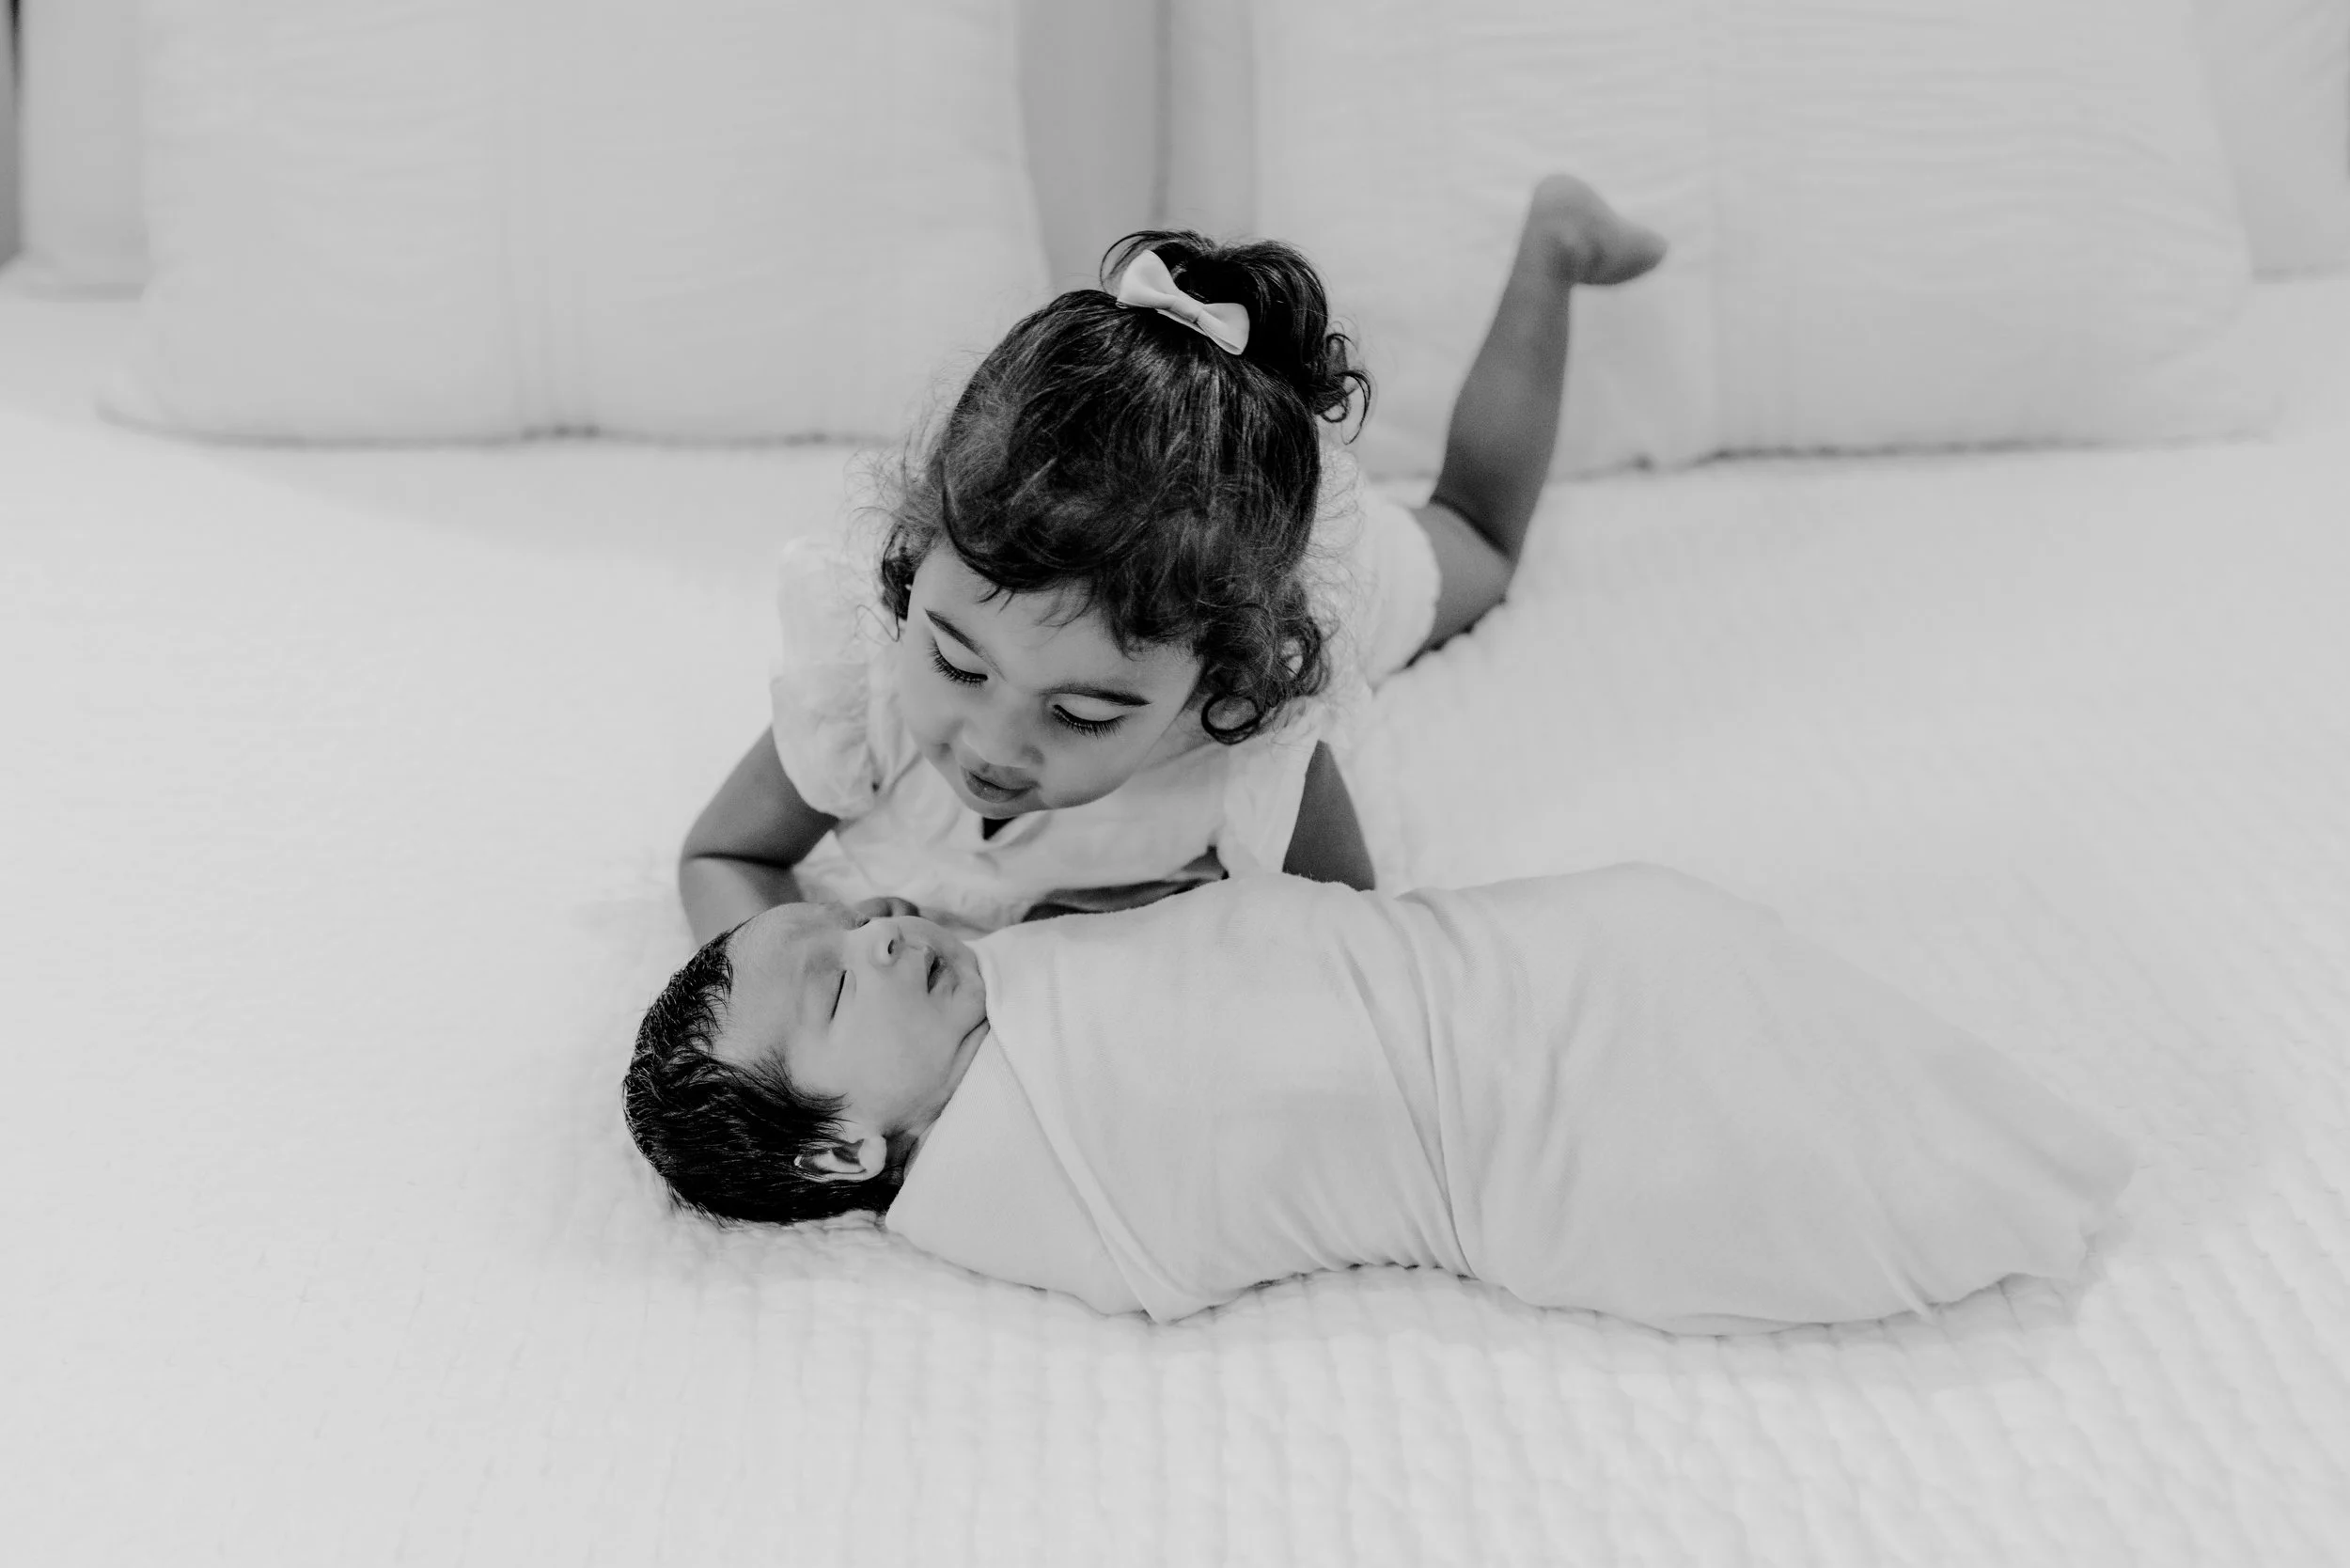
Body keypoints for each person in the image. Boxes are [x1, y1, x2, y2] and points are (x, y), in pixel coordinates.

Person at [678, 176, 1669, 941]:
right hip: (1178, 507)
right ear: (913, 561)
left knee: (1479, 543)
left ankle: (1553, 247)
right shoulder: (864, 687)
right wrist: (807, 951)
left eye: (1080, 714)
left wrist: (1139, 917)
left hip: (1301, 555)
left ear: (1222, 680)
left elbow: (1344, 947)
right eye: (955, 661)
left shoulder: (1249, 756)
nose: (991, 743)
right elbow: (722, 856)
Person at [622, 866, 2133, 1332]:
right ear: (841, 1151)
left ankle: (1974, 1145)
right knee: (1714, 1125)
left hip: (1514, 969)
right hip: (1511, 1119)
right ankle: (1986, 1180)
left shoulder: (1009, 981)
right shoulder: (1013, 1182)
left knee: (1681, 966)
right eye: (833, 989)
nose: (879, 934)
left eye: (852, 918)